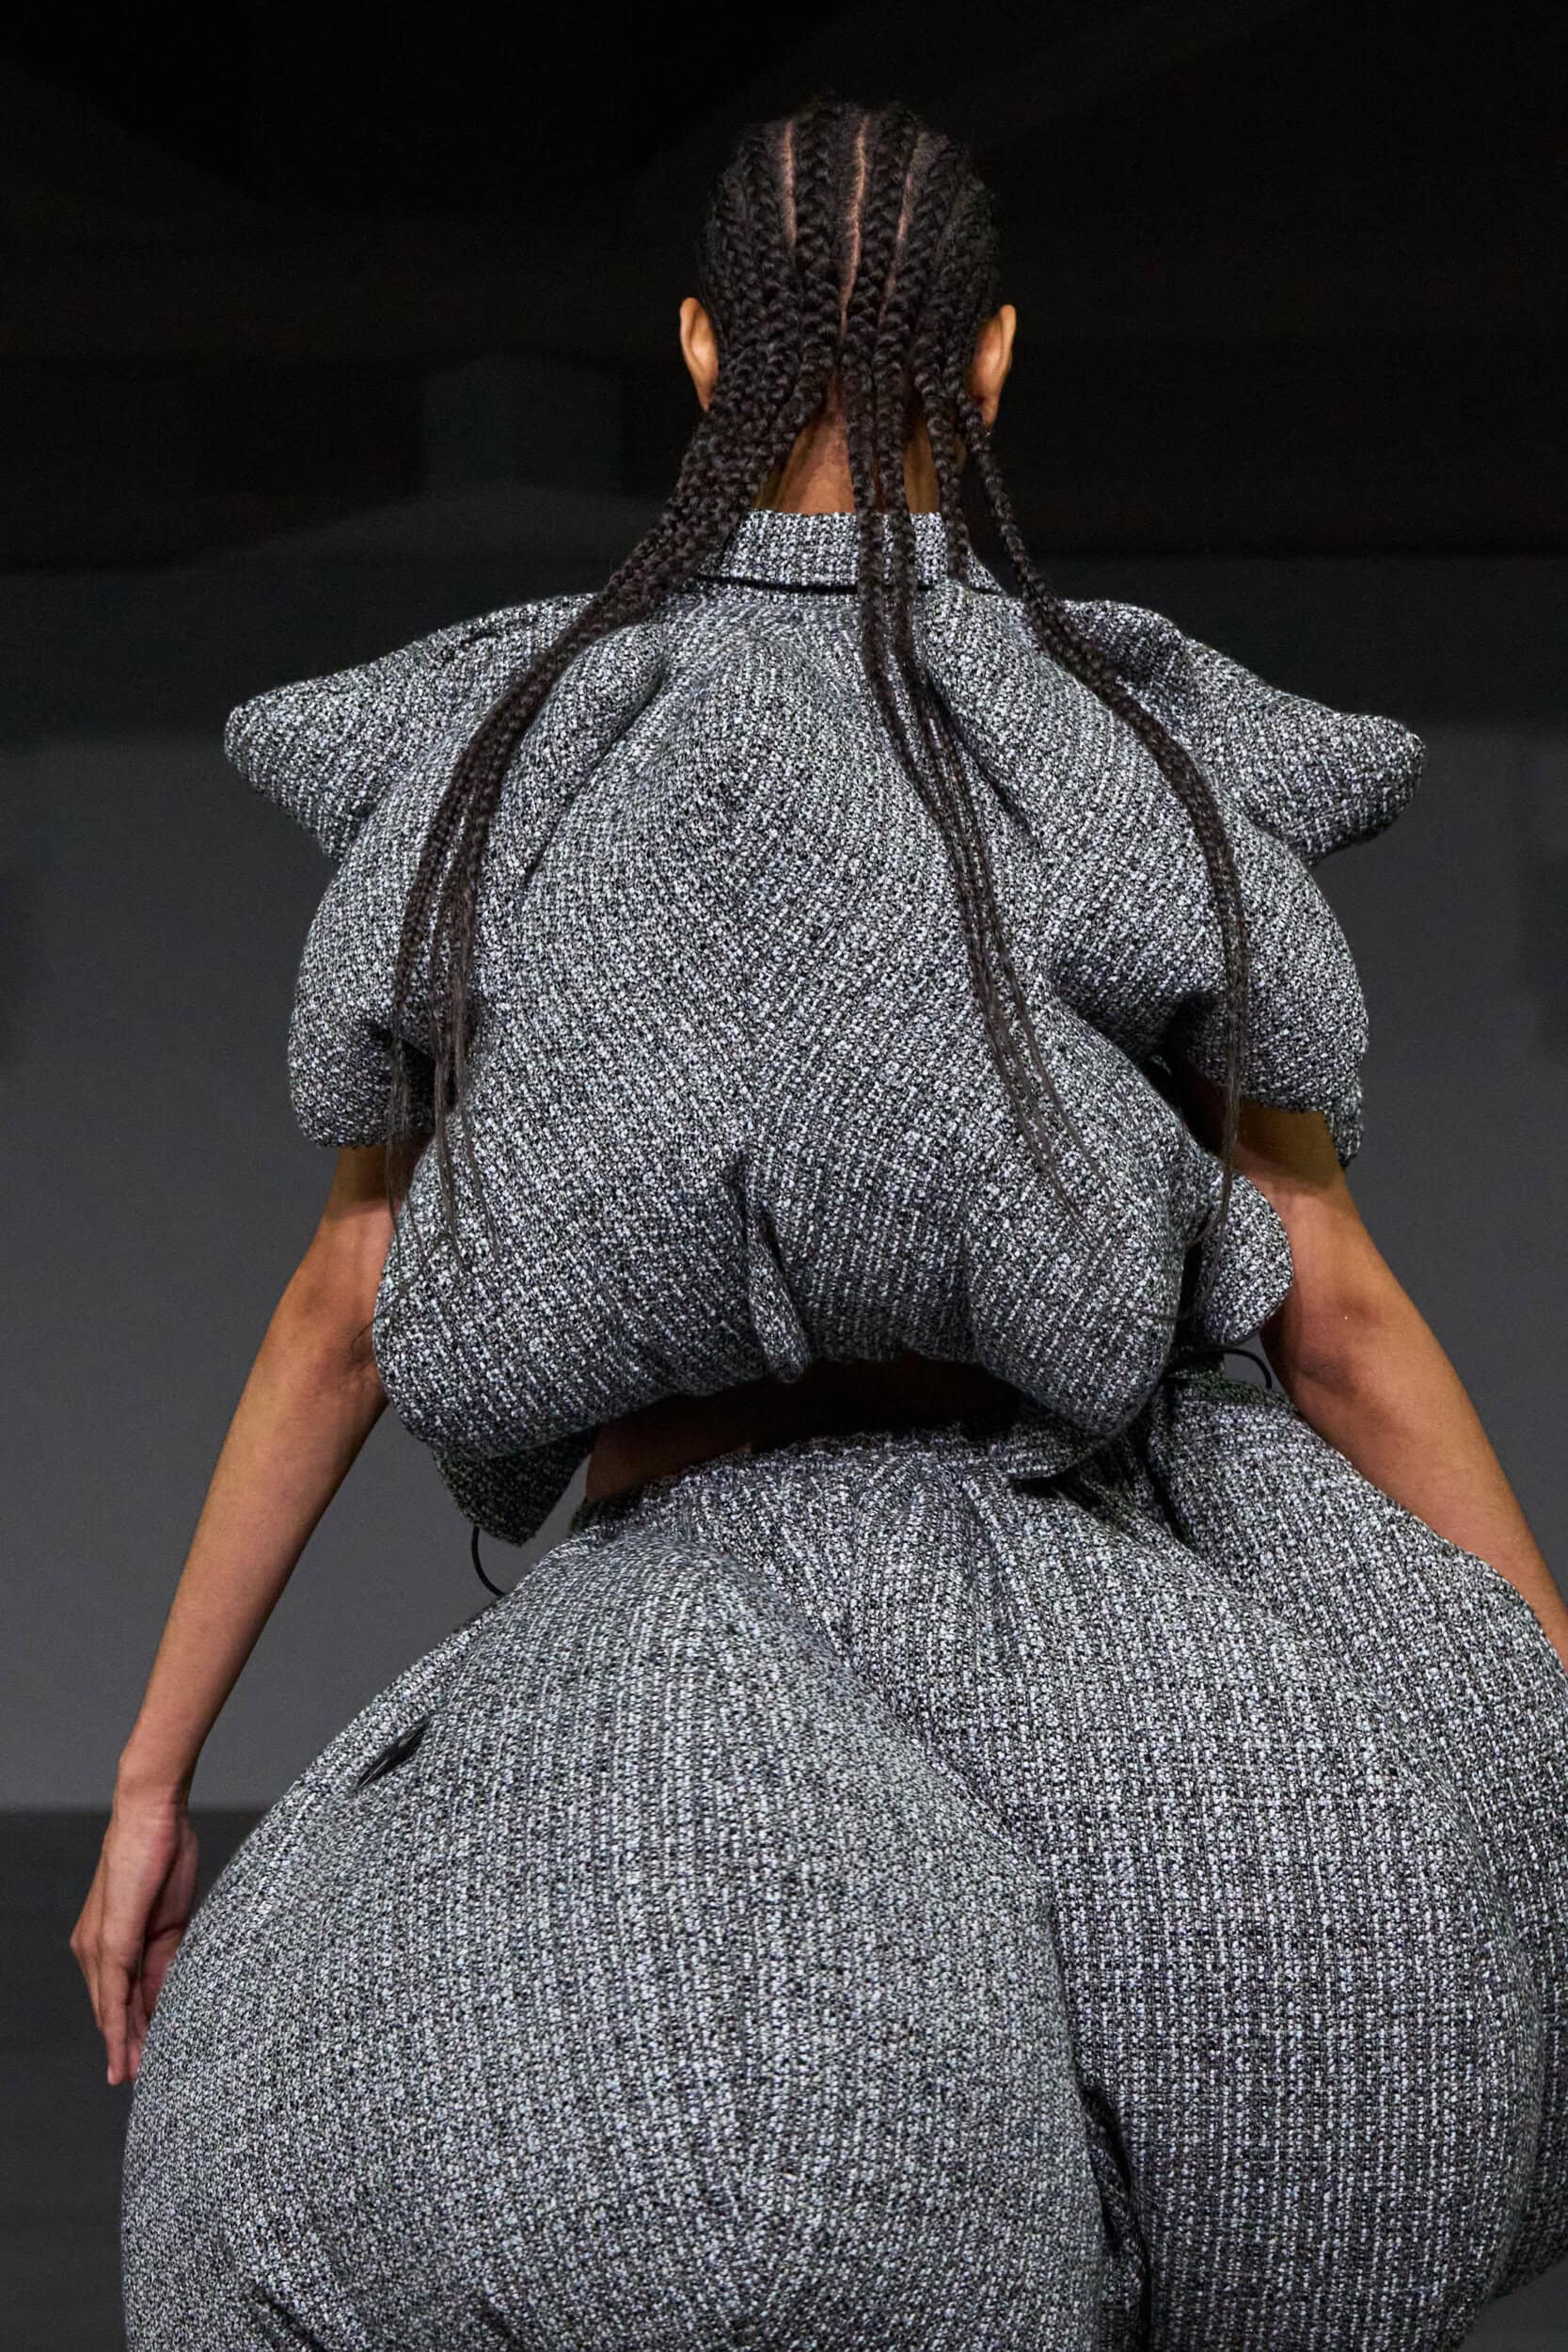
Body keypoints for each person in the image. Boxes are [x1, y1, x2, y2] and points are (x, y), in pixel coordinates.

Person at [76, 92, 1568, 2351]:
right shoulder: (1113, 746)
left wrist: (149, 1781)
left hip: (657, 1630)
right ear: (994, 363)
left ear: (700, 349)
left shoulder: (522, 754)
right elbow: (1336, 1314)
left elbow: (345, 1309)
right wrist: (1547, 1719)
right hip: (1118, 1693)